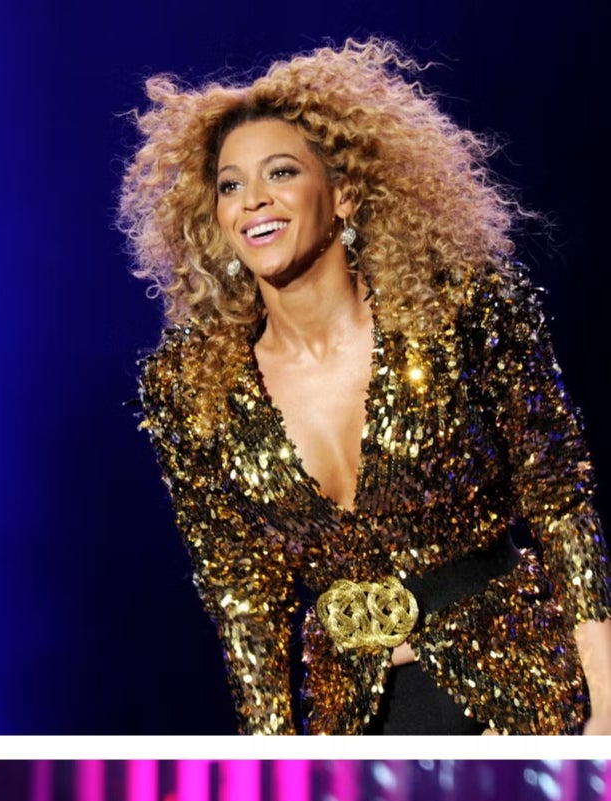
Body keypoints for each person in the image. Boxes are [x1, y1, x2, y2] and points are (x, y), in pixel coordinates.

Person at [118, 39, 610, 735]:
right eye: (231, 185)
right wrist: (274, 763)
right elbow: (243, 600)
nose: (253, 198)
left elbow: (561, 501)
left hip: (522, 692)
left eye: (280, 172)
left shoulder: (461, 311)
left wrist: (608, 709)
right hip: (356, 722)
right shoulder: (191, 388)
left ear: (344, 192)